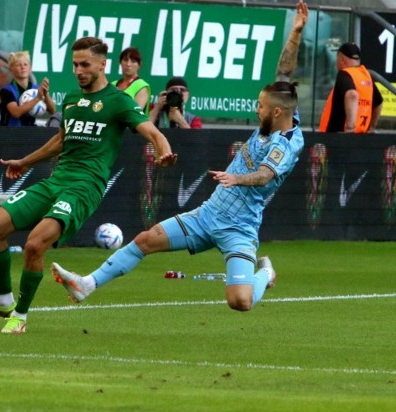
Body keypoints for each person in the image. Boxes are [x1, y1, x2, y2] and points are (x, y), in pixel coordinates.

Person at [51, 2, 308, 315]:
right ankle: (86, 285)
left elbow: (265, 174)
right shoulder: (280, 110)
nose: (257, 109)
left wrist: (237, 178)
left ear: (277, 112)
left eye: (261, 107)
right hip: (209, 214)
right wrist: (295, 32)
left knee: (239, 302)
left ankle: (265, 272)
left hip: (240, 227)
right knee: (146, 239)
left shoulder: (288, 143)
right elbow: (284, 72)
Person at [0, 36, 177, 334]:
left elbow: (152, 133)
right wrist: (25, 162)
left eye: (85, 64)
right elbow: (62, 140)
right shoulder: (72, 100)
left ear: (103, 64)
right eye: (75, 64)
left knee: (35, 245)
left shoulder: (119, 102)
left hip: (84, 188)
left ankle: (21, 315)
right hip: (56, 181)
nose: (78, 70)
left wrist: (164, 152)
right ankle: (2, 301)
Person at [318, 42, 383, 133]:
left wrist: (350, 129)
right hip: (361, 136)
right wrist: (371, 127)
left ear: (342, 60)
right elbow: (378, 102)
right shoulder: (366, 75)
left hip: (336, 139)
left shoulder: (344, 74)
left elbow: (352, 95)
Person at [0, 50, 56, 126]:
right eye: (18, 65)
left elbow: (52, 111)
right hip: (10, 133)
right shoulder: (6, 91)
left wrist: (45, 94)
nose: (23, 67)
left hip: (29, 132)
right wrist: (37, 98)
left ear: (30, 68)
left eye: (25, 64)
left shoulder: (36, 89)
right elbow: (16, 113)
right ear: (11, 69)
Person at [111, 47, 151, 115]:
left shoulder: (142, 86)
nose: (128, 64)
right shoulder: (112, 84)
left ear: (139, 65)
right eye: (125, 60)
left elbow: (135, 114)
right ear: (120, 62)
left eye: (133, 61)